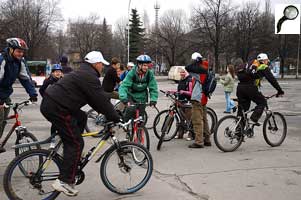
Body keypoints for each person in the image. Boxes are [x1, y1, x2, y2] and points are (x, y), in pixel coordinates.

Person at [40, 51, 121, 196]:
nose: (102, 67)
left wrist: (107, 112)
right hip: (57, 107)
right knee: (76, 143)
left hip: (53, 103)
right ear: (96, 64)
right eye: (101, 64)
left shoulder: (83, 73)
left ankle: (69, 150)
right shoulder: (89, 76)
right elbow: (100, 100)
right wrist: (115, 117)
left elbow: (95, 99)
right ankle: (64, 181)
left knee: (82, 116)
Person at [0, 38, 38, 153]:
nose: (21, 54)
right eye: (18, 51)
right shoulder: (2, 59)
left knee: (4, 120)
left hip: (5, 94)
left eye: (22, 52)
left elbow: (25, 78)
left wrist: (33, 93)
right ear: (11, 50)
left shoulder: (20, 61)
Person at [235, 53, 284, 127]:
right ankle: (253, 119)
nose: (267, 62)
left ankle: (238, 133)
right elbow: (272, 80)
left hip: (240, 88)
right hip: (249, 88)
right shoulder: (263, 66)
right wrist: (280, 91)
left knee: (242, 111)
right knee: (262, 102)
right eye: (267, 60)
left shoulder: (249, 64)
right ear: (264, 60)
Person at [119, 54, 158, 121]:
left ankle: (139, 129)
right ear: (139, 65)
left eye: (147, 66)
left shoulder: (149, 74)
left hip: (142, 97)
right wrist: (123, 97)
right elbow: (124, 86)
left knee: (140, 119)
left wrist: (153, 99)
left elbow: (153, 87)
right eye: (144, 65)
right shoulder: (132, 73)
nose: (146, 67)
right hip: (131, 96)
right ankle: (126, 124)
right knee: (130, 110)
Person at [185, 52, 211, 148]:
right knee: (204, 119)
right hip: (204, 97)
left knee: (197, 120)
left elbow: (187, 67)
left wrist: (195, 61)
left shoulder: (199, 70)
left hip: (198, 97)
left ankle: (199, 141)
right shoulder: (205, 67)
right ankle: (207, 139)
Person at [168, 68, 193, 139]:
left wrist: (184, 92)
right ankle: (180, 134)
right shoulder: (181, 80)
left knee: (189, 119)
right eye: (180, 72)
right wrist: (172, 91)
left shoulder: (189, 80)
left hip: (187, 102)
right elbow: (179, 91)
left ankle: (191, 134)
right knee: (180, 118)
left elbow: (191, 92)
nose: (182, 74)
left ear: (186, 73)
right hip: (180, 101)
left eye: (183, 72)